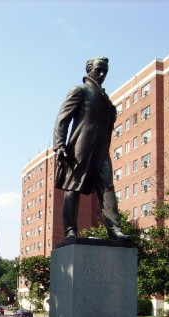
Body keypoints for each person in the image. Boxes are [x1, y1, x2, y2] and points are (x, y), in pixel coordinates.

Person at [53, 57, 130, 240]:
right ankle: (70, 230)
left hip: (101, 150)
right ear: (89, 70)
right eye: (99, 70)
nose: (102, 74)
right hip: (80, 147)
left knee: (107, 186)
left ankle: (114, 229)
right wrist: (60, 145)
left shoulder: (105, 100)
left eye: (105, 71)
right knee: (72, 187)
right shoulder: (80, 91)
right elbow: (62, 119)